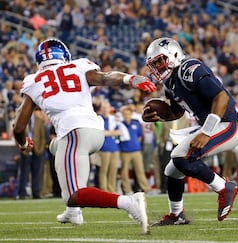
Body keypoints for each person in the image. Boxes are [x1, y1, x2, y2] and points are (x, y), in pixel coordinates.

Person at [12, 38, 156, 234]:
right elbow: (105, 78)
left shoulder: (33, 80)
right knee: (57, 146)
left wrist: (23, 142)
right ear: (65, 56)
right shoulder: (79, 65)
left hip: (75, 134)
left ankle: (128, 202)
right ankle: (73, 213)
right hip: (95, 132)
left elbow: (19, 126)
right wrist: (128, 79)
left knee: (74, 194)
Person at [142, 37, 238, 225]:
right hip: (212, 125)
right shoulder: (170, 81)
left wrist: (206, 132)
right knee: (172, 170)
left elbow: (221, 97)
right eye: (153, 64)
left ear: (173, 54)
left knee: (180, 156)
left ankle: (223, 187)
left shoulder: (190, 69)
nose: (157, 67)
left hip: (228, 124)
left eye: (159, 61)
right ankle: (177, 214)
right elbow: (177, 111)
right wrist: (158, 115)